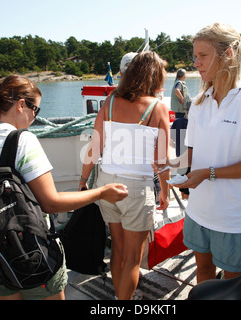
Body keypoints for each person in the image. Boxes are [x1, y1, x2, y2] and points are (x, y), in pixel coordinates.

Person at [0, 75, 128, 300]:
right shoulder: (23, 140)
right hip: (28, 248)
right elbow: (50, 203)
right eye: (35, 110)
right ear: (21, 105)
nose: (34, 117)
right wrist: (101, 193)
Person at [154, 22, 241, 283]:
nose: (196, 62)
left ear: (228, 53)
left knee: (234, 287)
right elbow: (193, 154)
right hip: (199, 211)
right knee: (204, 275)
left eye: (203, 55)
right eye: (194, 56)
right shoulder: (199, 103)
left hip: (234, 218)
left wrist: (208, 174)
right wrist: (171, 163)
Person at [79, 51, 170, 300]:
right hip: (135, 190)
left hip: (106, 183)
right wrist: (165, 191)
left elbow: (94, 147)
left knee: (118, 252)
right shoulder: (157, 108)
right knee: (132, 259)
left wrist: (83, 180)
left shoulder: (109, 102)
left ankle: (120, 298)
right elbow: (160, 160)